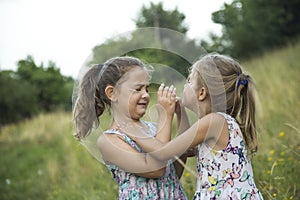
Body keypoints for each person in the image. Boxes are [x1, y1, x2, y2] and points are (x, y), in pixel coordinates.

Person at [122, 53, 264, 199]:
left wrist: (132, 129)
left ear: (202, 92)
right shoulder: (218, 123)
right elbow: (186, 149)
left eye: (189, 81)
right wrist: (180, 112)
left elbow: (162, 152)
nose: (185, 84)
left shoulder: (213, 122)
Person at [72, 56, 188, 199]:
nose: (145, 95)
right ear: (112, 93)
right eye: (138, 89)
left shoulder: (153, 129)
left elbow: (173, 173)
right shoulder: (110, 140)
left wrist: (181, 113)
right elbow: (156, 170)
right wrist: (165, 116)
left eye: (147, 88)